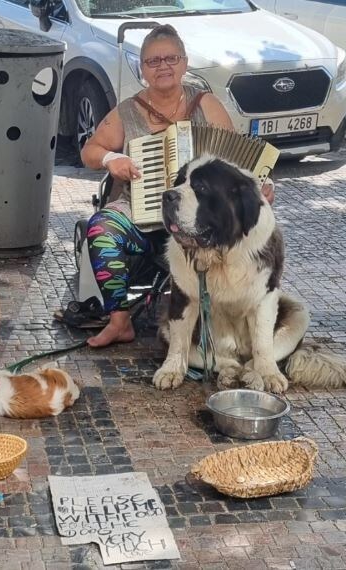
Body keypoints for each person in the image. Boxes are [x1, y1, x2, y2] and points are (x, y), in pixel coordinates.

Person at [80, 24, 275, 348]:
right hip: (141, 213)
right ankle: (120, 321)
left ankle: (232, 319)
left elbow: (235, 161)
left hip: (199, 220)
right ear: (142, 68)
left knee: (246, 230)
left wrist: (262, 184)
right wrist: (112, 159)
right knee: (101, 229)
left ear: (184, 63)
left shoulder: (206, 105)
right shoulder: (127, 112)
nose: (163, 66)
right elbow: (89, 151)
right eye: (153, 61)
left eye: (171, 58)